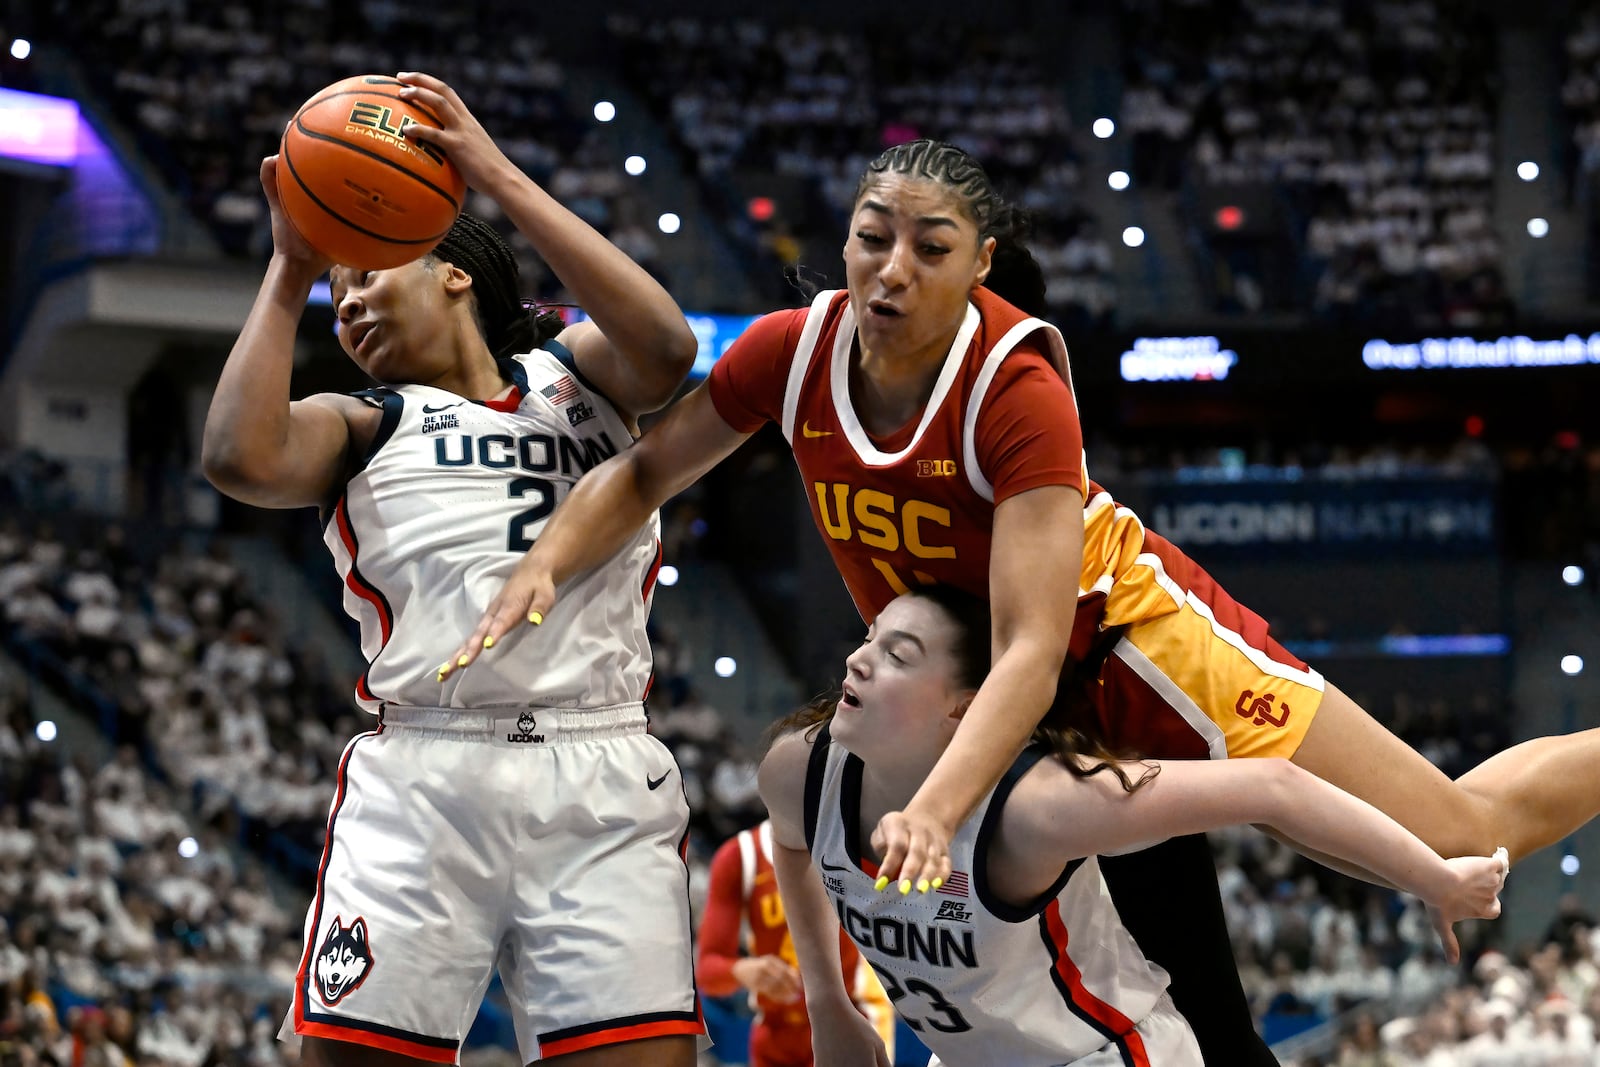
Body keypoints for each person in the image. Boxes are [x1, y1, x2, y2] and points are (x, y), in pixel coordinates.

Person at [442, 138, 1600, 1061]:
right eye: (869, 237)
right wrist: (548, 559)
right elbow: (643, 470)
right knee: (1141, 989)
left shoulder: (1016, 387)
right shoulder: (791, 354)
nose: (890, 269)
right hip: (993, 698)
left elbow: (1040, 641)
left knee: (1459, 832)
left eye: (929, 248)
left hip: (1130, 651)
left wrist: (939, 808)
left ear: (979, 263)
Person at [201, 72, 702, 1067]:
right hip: (426, 771)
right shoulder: (361, 420)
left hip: (596, 766)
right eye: (336, 297)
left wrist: (494, 175)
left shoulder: (578, 377)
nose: (346, 309)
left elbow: (668, 342)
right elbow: (238, 457)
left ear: (455, 272)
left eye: (366, 276)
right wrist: (290, 264)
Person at [756, 584, 1508, 1067]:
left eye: (898, 654)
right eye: (870, 638)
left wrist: (1435, 878)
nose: (857, 661)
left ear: (965, 705)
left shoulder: (1036, 806)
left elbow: (1274, 786)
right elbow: (793, 846)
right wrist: (830, 1000)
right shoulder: (799, 770)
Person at [696, 819, 895, 1067]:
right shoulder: (742, 855)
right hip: (776, 1030)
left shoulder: (855, 840)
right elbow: (707, 970)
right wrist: (745, 971)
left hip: (853, 1016)